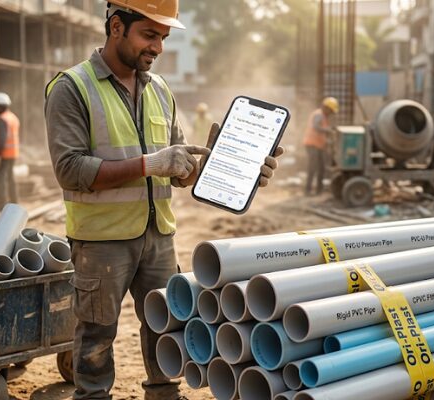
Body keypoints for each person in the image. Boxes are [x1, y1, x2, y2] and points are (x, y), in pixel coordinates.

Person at [44, 1, 282, 399]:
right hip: (101, 241)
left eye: (164, 38)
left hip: (158, 238)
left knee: (166, 328)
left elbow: (180, 170)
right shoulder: (72, 87)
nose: (158, 48)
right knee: (97, 336)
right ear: (116, 26)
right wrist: (148, 163)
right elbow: (69, 170)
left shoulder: (159, 90)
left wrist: (234, 168)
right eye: (149, 35)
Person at [303, 96, 338, 195]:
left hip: (318, 145)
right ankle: (308, 190)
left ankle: (319, 190)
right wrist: (328, 130)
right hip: (312, 144)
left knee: (321, 168)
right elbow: (316, 126)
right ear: (326, 107)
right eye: (330, 111)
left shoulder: (323, 116)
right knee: (313, 167)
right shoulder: (319, 115)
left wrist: (327, 141)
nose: (330, 113)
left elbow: (321, 132)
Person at [0, 92, 20, 209]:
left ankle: (3, 203)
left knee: (0, 179)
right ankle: (14, 201)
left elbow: (2, 138)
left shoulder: (2, 119)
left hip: (3, 154)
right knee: (10, 178)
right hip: (13, 153)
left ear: (1, 106)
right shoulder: (13, 117)